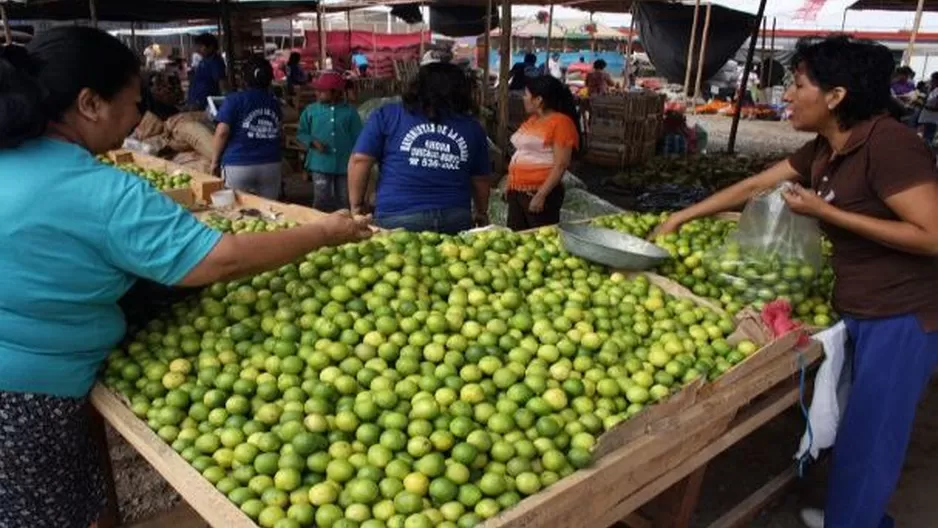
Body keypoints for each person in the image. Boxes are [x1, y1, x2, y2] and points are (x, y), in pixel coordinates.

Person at [0, 27, 372, 528]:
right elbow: (222, 259)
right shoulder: (99, 190)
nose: (138, 117)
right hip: (26, 397)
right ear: (90, 103)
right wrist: (325, 231)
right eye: (134, 103)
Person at [653, 36, 938, 528]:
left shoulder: (890, 144)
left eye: (797, 84)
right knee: (859, 423)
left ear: (836, 95)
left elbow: (932, 235)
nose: (785, 94)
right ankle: (858, 518)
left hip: (903, 314)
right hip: (860, 304)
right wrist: (683, 215)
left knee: (874, 433)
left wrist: (826, 212)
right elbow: (756, 184)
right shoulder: (829, 147)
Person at [348, 62, 492, 233]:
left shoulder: (388, 115)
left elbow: (360, 160)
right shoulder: (472, 127)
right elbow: (480, 179)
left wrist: (356, 207)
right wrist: (482, 213)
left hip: (398, 217)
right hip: (454, 217)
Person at [506, 75, 580, 231]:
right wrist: (510, 184)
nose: (523, 98)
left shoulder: (561, 123)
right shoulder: (533, 120)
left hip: (537, 193)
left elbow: (561, 164)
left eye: (526, 95)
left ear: (538, 99)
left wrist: (541, 195)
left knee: (539, 240)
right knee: (516, 240)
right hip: (518, 191)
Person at [210, 55, 283, 199]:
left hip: (238, 164)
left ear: (243, 78)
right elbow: (279, 131)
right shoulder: (274, 103)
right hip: (271, 164)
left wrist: (214, 162)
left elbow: (222, 132)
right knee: (270, 213)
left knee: (237, 212)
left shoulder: (234, 100)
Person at [297, 71, 362, 212]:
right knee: (321, 198)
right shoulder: (311, 111)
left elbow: (359, 137)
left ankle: (343, 228)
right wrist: (313, 142)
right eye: (317, 90)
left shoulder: (350, 112)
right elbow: (301, 132)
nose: (317, 93)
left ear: (336, 93)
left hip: (344, 164)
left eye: (322, 91)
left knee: (344, 199)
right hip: (319, 163)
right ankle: (320, 228)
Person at [186, 33, 226, 111]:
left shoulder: (215, 62)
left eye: (201, 46)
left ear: (211, 47)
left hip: (206, 105)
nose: (198, 49)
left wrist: (223, 103)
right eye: (197, 46)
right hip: (196, 103)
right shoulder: (204, 60)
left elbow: (222, 83)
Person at [919, 71, 938, 150]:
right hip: (927, 118)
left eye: (933, 79)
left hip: (932, 119)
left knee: (928, 139)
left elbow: (936, 108)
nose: (931, 81)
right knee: (925, 137)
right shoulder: (934, 90)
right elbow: (929, 100)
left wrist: (923, 105)